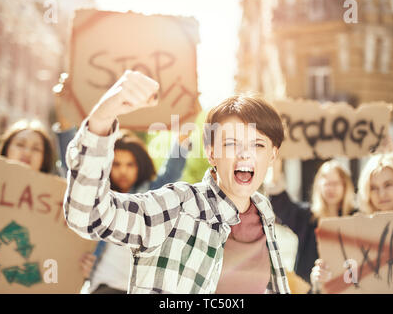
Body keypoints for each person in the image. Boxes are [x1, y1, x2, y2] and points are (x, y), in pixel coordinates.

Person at [63, 70, 290, 294]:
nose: (245, 154)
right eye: (231, 143)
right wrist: (102, 117)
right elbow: (89, 215)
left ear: (272, 155)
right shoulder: (176, 207)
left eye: (258, 145)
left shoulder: (263, 212)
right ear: (211, 154)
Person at [79, 130, 191, 294]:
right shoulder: (98, 197)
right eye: (116, 164)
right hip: (105, 285)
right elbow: (75, 171)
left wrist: (181, 142)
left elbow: (170, 174)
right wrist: (65, 130)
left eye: (130, 164)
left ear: (140, 166)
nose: (123, 171)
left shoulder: (148, 195)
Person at [310, 152, 393, 293]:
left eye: (388, 185)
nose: (381, 194)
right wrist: (320, 282)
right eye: (373, 188)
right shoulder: (355, 233)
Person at [266, 159, 356, 285]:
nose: (331, 188)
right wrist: (276, 165)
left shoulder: (356, 218)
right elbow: (282, 204)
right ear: (319, 185)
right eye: (327, 183)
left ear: (345, 185)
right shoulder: (307, 218)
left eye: (335, 183)